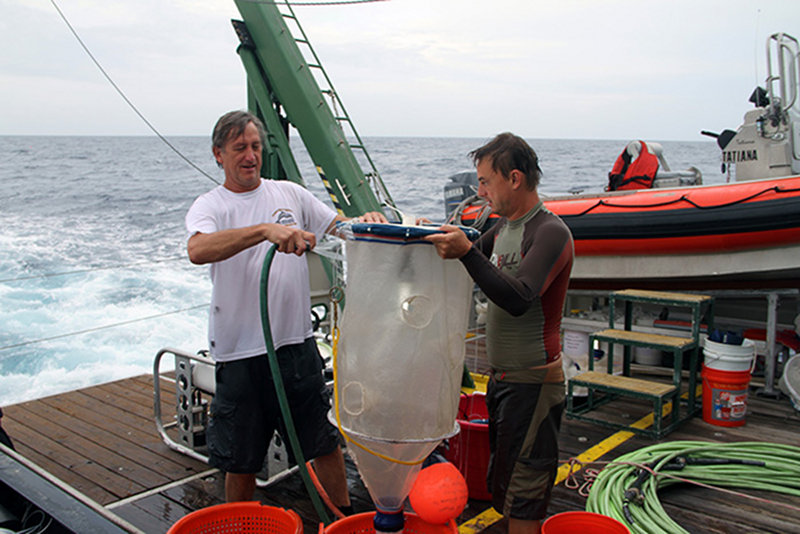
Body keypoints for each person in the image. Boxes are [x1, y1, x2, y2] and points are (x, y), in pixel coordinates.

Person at [186, 110, 386, 507]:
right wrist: (264, 231)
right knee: (241, 461)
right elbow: (198, 249)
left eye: (256, 146)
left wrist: (364, 222)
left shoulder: (289, 193)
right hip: (241, 355)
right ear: (218, 154)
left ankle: (341, 519)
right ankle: (241, 525)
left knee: (323, 442)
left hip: (295, 348)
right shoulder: (211, 205)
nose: (250, 155)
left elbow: (338, 226)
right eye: (239, 148)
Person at [426, 133, 573, 534]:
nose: (480, 190)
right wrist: (426, 235)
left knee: (525, 493)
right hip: (504, 383)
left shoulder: (549, 231)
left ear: (514, 178)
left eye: (486, 181)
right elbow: (471, 254)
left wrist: (468, 253)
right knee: (505, 484)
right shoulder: (504, 227)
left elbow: (520, 297)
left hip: (534, 384)